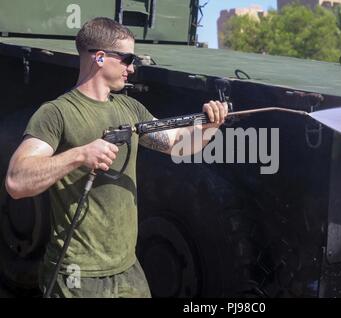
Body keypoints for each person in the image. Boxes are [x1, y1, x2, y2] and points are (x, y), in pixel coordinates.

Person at [4, 17, 228, 298]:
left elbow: (175, 145)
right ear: (99, 57)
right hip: (77, 272)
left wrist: (209, 128)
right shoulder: (56, 113)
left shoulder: (130, 108)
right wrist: (80, 155)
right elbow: (16, 180)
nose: (131, 68)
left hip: (127, 268)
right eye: (126, 59)